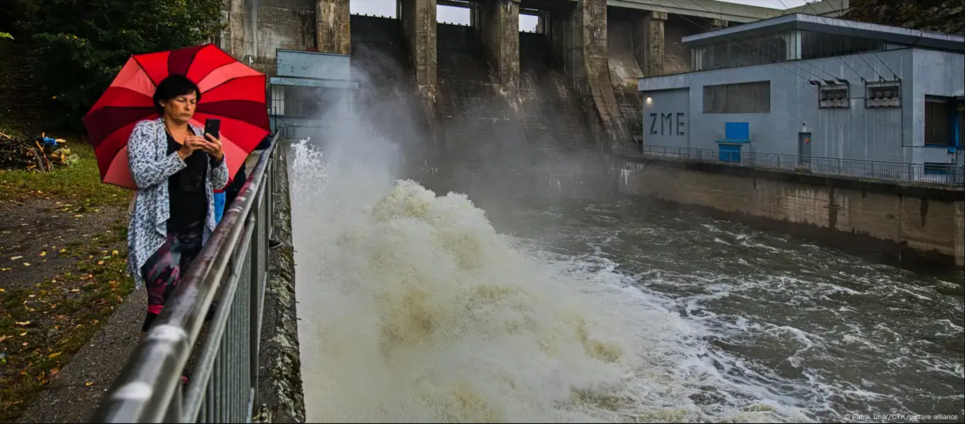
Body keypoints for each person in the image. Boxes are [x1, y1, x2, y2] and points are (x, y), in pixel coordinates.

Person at [126, 74, 228, 339]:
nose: (188, 107)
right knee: (162, 302)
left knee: (185, 296)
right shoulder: (145, 131)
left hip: (195, 228)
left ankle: (176, 350)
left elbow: (218, 182)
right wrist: (181, 153)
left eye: (193, 101)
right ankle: (155, 369)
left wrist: (218, 157)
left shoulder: (198, 133)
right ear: (163, 102)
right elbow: (142, 176)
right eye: (181, 100)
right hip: (160, 229)